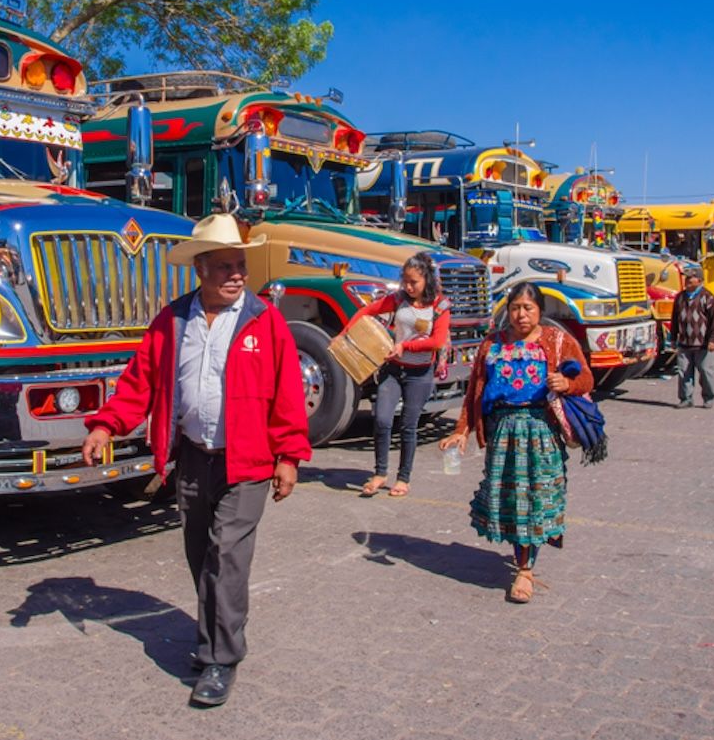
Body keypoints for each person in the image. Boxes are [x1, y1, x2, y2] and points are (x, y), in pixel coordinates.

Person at [81, 213, 311, 708]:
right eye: (225, 266)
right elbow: (140, 381)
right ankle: (213, 638)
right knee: (199, 554)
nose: (236, 275)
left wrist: (289, 456)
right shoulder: (173, 320)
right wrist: (106, 424)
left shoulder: (264, 321)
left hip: (247, 463)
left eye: (241, 265)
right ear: (200, 269)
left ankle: (221, 659)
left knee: (226, 556)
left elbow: (287, 393)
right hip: (193, 459)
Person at [438, 282, 593, 604]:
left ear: (540, 311)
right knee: (513, 504)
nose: (521, 315)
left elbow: (587, 379)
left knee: (534, 502)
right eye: (515, 308)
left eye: (528, 308)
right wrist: (461, 430)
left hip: (541, 433)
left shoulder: (557, 340)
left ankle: (525, 570)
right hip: (502, 435)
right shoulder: (491, 345)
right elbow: (474, 394)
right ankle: (524, 555)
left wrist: (567, 382)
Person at [341, 252, 450, 498]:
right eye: (405, 281)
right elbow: (367, 311)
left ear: (427, 281)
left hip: (420, 374)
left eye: (414, 282)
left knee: (409, 426)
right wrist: (345, 333)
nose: (409, 287)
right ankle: (380, 473)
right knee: (381, 419)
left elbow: (437, 341)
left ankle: (403, 478)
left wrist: (405, 346)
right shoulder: (398, 299)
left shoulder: (440, 306)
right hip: (393, 369)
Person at [669, 263, 714, 409]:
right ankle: (686, 398)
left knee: (705, 371)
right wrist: (673, 338)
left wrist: (713, 340)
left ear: (699, 281)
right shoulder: (680, 297)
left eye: (691, 280)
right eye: (687, 280)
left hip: (703, 344)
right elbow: (675, 318)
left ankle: (709, 397)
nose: (687, 282)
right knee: (683, 371)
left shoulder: (708, 297)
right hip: (684, 343)